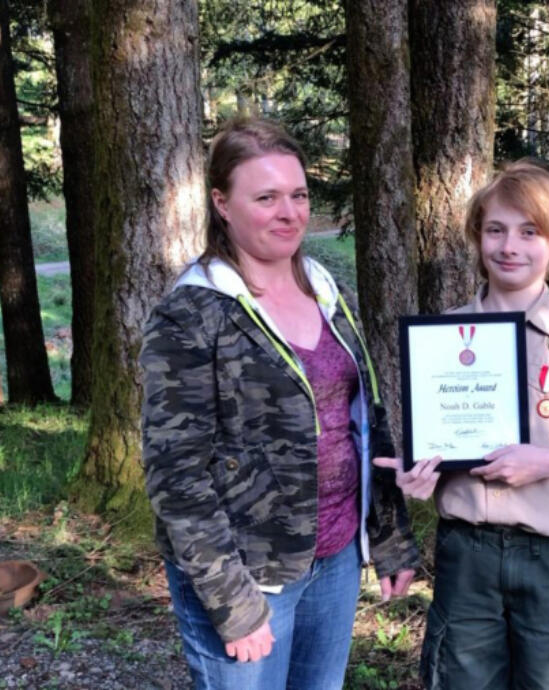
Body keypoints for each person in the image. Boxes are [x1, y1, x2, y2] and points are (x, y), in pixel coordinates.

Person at [140, 117, 419, 690]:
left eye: (299, 195)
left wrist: (389, 537)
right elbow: (176, 474)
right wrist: (232, 602)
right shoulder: (193, 312)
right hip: (249, 574)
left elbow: (367, 419)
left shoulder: (323, 286)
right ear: (222, 202)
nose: (290, 212)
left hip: (336, 557)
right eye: (266, 197)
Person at [375, 161, 549, 689]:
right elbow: (433, 446)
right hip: (466, 553)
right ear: (477, 237)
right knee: (460, 679)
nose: (509, 246)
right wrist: (418, 477)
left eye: (529, 232)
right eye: (495, 229)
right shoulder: (443, 340)